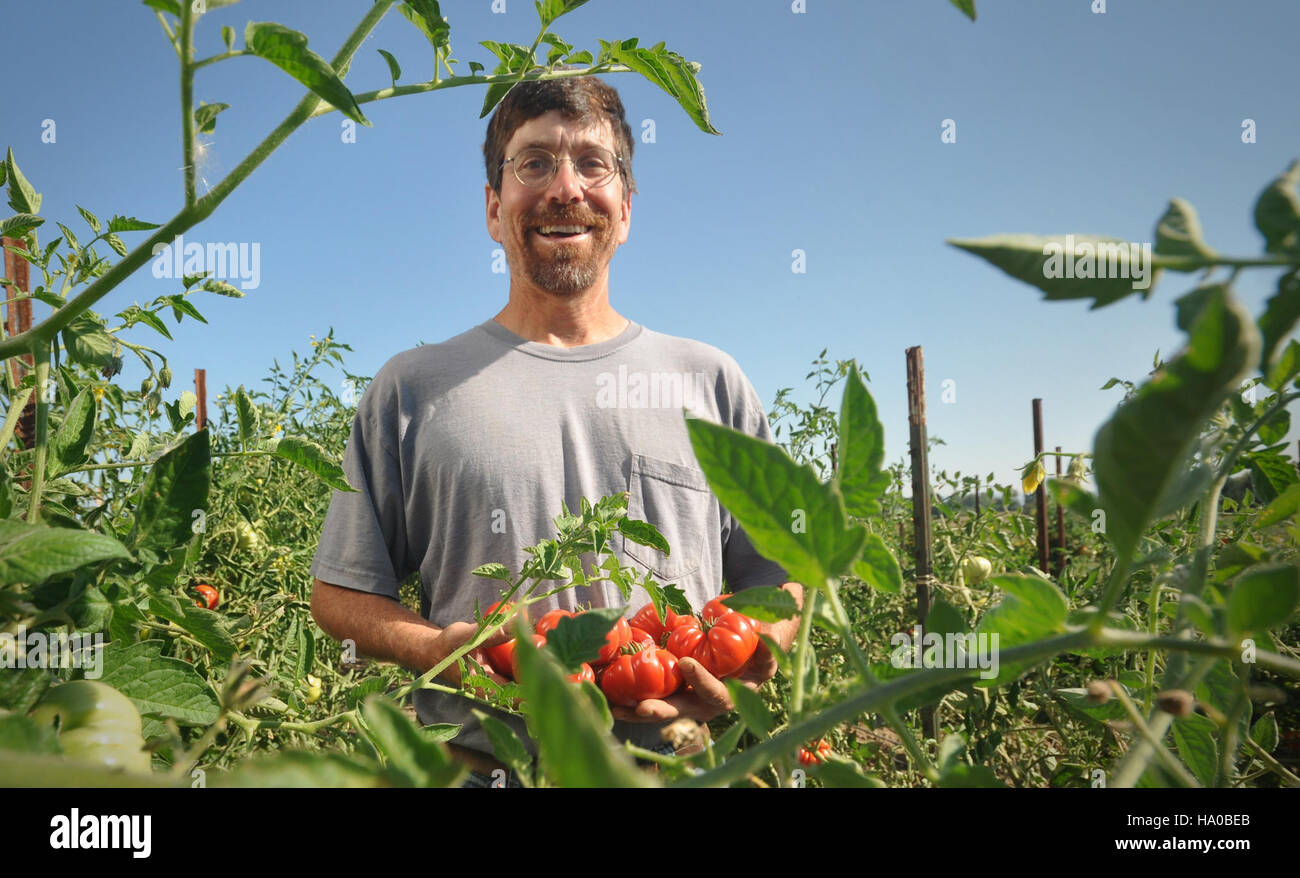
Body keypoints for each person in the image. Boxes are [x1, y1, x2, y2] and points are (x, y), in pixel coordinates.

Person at [309, 76, 803, 784]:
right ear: (492, 207)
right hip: (480, 769)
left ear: (625, 208)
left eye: (592, 164)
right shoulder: (412, 388)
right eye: (533, 162)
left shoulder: (710, 382)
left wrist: (753, 661)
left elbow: (780, 579)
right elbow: (341, 594)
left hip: (676, 768)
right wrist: (434, 647)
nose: (565, 188)